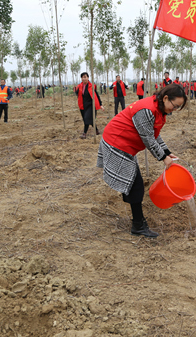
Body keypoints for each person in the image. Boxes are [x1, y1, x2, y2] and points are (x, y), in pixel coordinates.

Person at [97, 83, 187, 238]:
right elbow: (148, 139)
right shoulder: (146, 110)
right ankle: (138, 226)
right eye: (175, 105)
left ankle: (138, 222)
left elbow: (155, 133)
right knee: (135, 184)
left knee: (133, 183)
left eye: (178, 107)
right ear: (165, 98)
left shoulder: (158, 109)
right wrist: (162, 158)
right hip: (117, 142)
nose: (175, 110)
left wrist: (167, 152)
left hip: (125, 144)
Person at [77, 72, 103, 139]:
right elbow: (78, 95)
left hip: (91, 105)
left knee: (86, 119)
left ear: (88, 78)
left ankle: (84, 133)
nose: (84, 78)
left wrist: (100, 104)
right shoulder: (80, 86)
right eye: (82, 77)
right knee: (89, 120)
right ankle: (96, 130)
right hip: (83, 105)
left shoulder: (92, 86)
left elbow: (96, 95)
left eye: (85, 77)